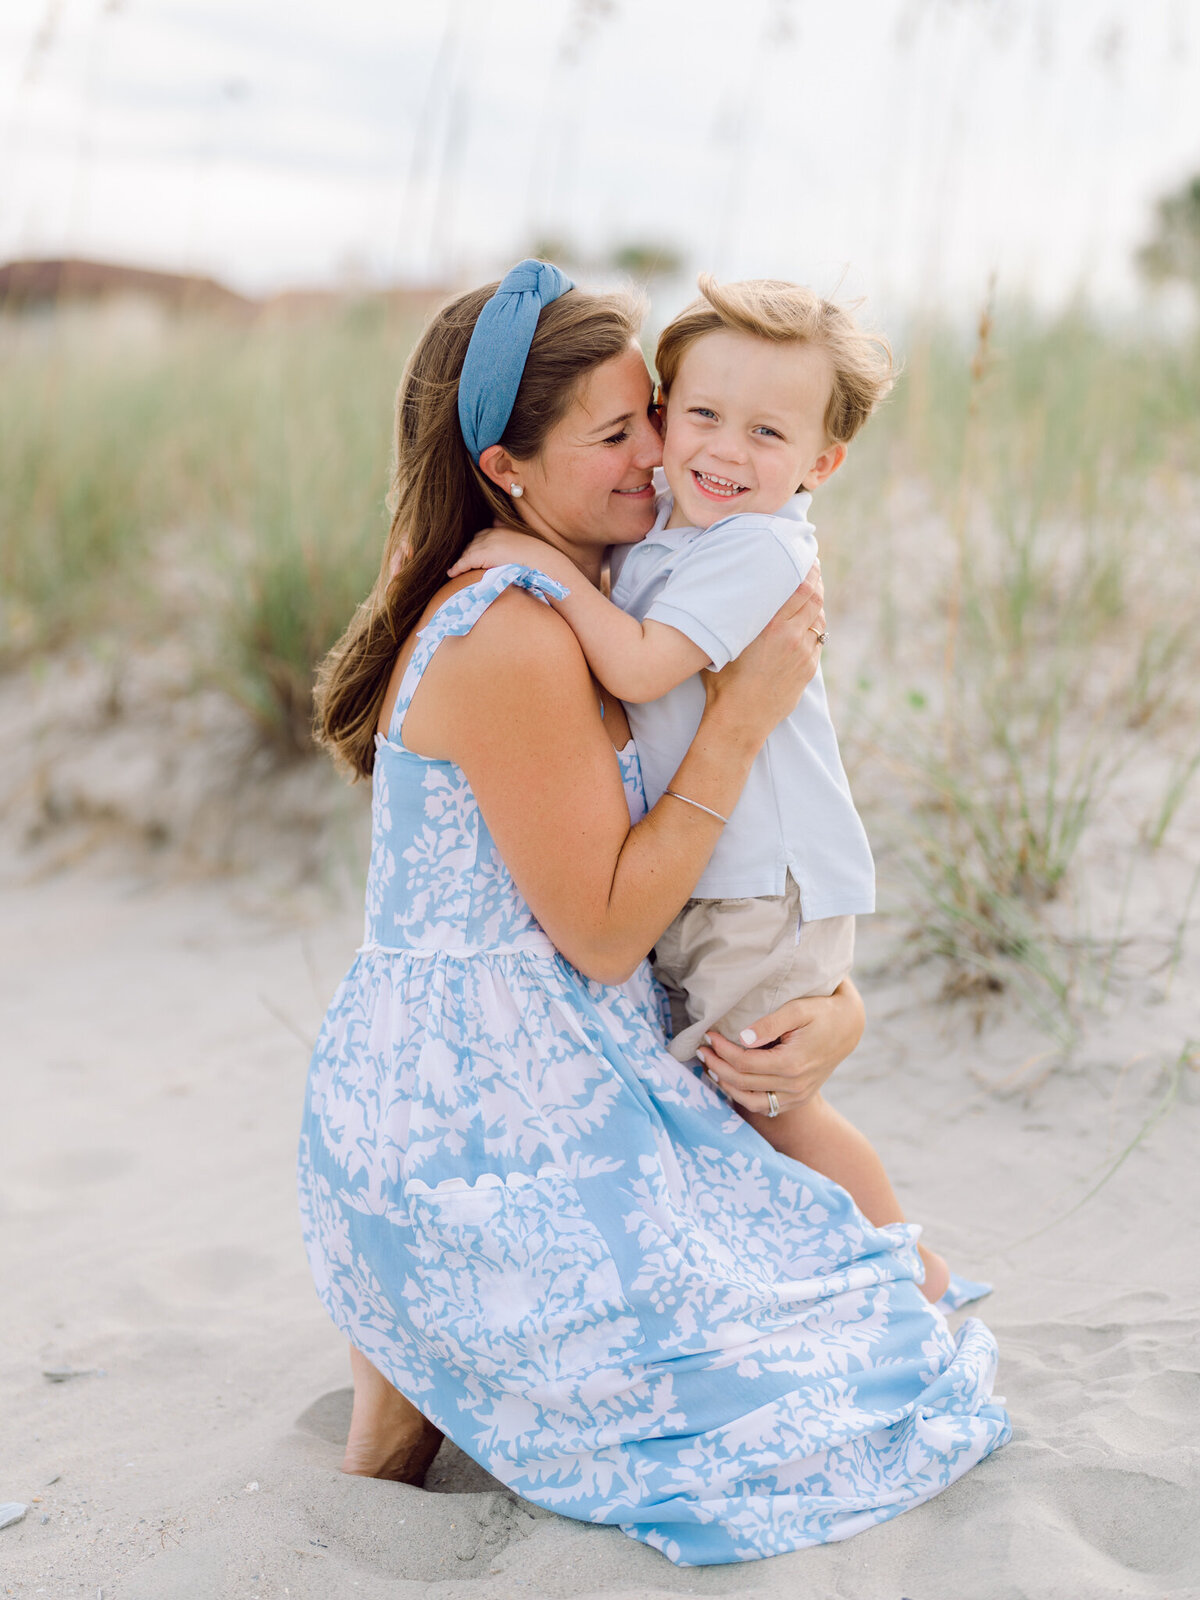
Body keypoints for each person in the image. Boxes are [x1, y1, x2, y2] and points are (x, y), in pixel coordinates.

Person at [298, 260, 1009, 1568]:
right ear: (508, 469)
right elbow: (614, 935)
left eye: (657, 412)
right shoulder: (511, 627)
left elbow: (713, 902)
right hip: (467, 1118)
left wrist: (835, 1004)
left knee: (803, 1285)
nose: (661, 457)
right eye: (621, 433)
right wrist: (737, 722)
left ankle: (419, 1381)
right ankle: (411, 1380)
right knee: (789, 1402)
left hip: (550, 1062)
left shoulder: (621, 582)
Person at [448, 275, 985, 1310]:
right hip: (719, 877)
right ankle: (836, 1280)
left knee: (771, 1102)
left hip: (760, 883)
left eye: (767, 433)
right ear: (661, 411)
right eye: (698, 414)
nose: (722, 452)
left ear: (821, 464)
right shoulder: (677, 531)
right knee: (730, 1098)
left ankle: (913, 1279)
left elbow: (644, 667)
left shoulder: (758, 546)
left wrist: (532, 564)